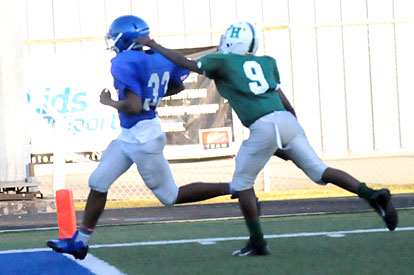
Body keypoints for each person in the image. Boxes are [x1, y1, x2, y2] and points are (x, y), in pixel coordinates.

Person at [133, 21, 399, 256]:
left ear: (230, 40)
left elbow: (187, 63)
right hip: (286, 121)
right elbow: (284, 101)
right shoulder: (266, 62)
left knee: (242, 183)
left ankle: (258, 241)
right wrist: (289, 135)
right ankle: (371, 193)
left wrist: (154, 44)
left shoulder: (221, 60)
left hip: (264, 126)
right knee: (320, 170)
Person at [46, 15, 231, 260]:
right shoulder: (161, 57)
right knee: (98, 181)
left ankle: (233, 186)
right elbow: (177, 87)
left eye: (115, 36)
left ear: (126, 38)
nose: (112, 41)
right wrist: (150, 97)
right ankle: (81, 242)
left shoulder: (123, 61)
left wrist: (109, 102)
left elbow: (132, 107)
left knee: (170, 196)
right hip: (133, 134)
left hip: (143, 137)